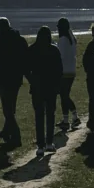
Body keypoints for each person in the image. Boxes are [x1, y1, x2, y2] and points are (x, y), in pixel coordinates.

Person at [0, 17, 28, 145]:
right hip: (16, 78)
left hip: (4, 78)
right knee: (11, 107)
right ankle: (6, 132)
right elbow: (25, 59)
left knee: (7, 109)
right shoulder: (20, 40)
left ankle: (16, 137)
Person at [26, 26, 63, 159]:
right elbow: (59, 70)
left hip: (37, 87)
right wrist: (58, 85)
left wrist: (31, 80)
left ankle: (40, 145)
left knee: (39, 116)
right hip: (51, 87)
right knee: (50, 115)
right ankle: (49, 142)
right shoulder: (54, 50)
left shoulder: (31, 50)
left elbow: (26, 68)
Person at [57, 17, 80, 130]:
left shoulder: (63, 39)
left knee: (64, 96)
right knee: (65, 95)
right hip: (71, 70)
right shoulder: (71, 38)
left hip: (64, 71)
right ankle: (68, 119)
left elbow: (60, 56)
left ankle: (72, 118)